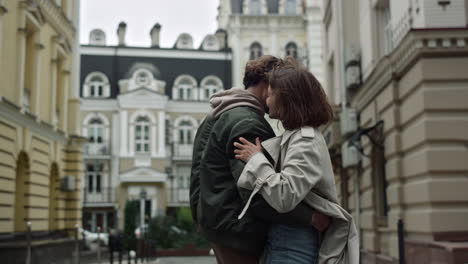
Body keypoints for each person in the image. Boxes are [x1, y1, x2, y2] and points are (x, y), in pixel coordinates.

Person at [190, 55, 330, 264]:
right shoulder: (248, 122)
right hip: (238, 230)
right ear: (267, 85)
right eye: (277, 86)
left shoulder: (220, 112)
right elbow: (256, 192)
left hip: (219, 224)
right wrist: (309, 217)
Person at [234, 59, 359, 264]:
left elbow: (285, 196)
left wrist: (255, 159)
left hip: (294, 243)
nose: (267, 98)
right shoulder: (296, 137)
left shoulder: (305, 141)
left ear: (287, 98)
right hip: (288, 239)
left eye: (272, 93)